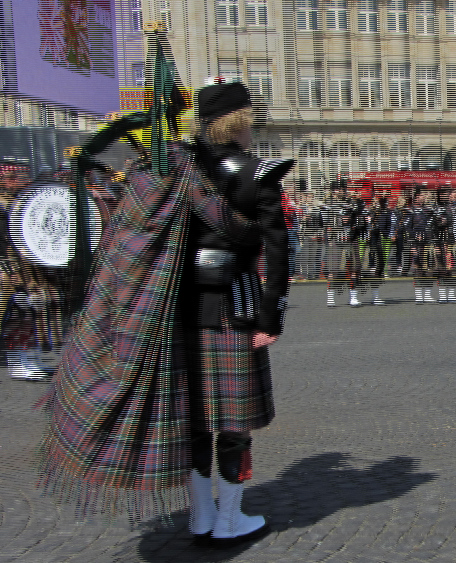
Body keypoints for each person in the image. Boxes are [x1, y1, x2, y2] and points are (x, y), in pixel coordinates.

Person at [38, 80, 293, 547]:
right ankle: (229, 520)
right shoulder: (257, 171)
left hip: (172, 308)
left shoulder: (173, 164)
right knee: (232, 423)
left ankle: (201, 516)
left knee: (191, 417)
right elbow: (276, 248)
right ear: (240, 119)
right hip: (233, 309)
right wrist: (270, 318)